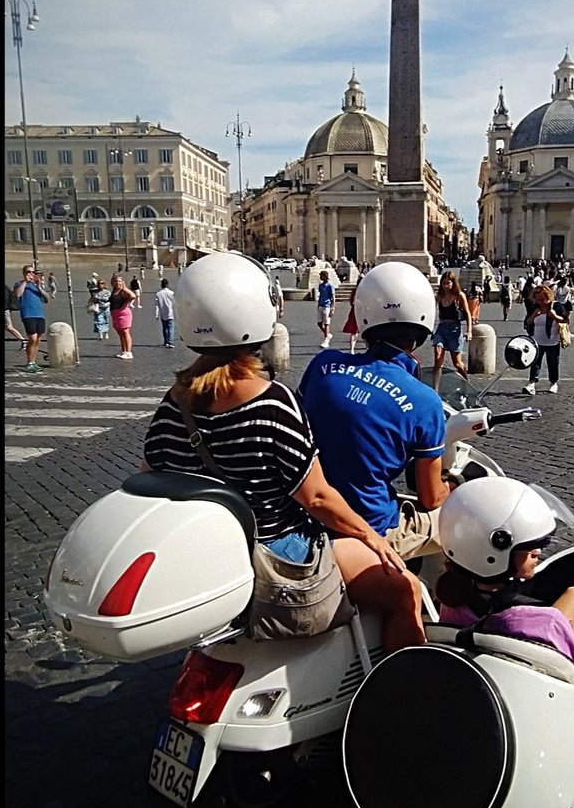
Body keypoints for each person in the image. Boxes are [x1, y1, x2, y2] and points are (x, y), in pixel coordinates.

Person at [141, 251, 426, 652]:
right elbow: (317, 497)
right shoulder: (272, 402)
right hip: (282, 548)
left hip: (215, 553)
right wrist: (370, 537)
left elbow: (151, 477)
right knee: (404, 590)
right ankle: (406, 697)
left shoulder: (174, 404)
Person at [298, 260, 452, 566]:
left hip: (309, 515)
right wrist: (452, 488)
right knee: (459, 525)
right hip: (372, 527)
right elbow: (430, 497)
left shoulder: (322, 365)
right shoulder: (425, 400)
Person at [434, 477, 574, 672]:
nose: (537, 552)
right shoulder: (549, 621)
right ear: (497, 552)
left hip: (498, 653)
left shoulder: (451, 601)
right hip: (552, 663)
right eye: (528, 548)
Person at [522, 284, 568, 395]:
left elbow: (565, 320)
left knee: (553, 363)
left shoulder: (556, 306)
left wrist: (555, 317)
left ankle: (553, 383)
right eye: (538, 299)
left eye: (543, 299)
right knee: (535, 363)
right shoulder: (534, 307)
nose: (541, 302)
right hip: (536, 341)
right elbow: (527, 323)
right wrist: (533, 316)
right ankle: (532, 383)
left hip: (552, 341)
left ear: (549, 297)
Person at [431, 270, 472, 392]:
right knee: (438, 359)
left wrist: (469, 330)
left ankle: (467, 384)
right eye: (444, 283)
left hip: (455, 330)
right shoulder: (439, 296)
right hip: (442, 329)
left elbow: (467, 313)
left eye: (448, 283)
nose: (446, 286)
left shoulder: (459, 296)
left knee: (457, 363)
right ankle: (435, 390)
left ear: (453, 283)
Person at [13, 265, 49, 373]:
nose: (31, 274)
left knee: (38, 339)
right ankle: (29, 362)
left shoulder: (36, 285)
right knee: (32, 338)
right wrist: (25, 281)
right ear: (24, 273)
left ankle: (33, 362)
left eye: (33, 272)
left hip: (39, 314)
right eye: (29, 272)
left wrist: (39, 286)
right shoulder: (19, 284)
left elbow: (46, 299)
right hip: (28, 314)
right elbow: (17, 294)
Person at [109, 274, 136, 359]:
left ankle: (129, 352)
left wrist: (126, 303)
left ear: (122, 282)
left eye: (119, 281)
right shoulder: (113, 291)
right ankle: (123, 351)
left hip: (123, 313)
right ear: (113, 282)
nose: (118, 283)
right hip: (115, 314)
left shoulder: (123, 291)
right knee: (120, 334)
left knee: (125, 332)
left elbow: (133, 296)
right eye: (116, 281)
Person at [4, 281, 27, 350]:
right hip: (6, 308)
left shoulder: (5, 287)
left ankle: (23, 340)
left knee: (9, 327)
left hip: (5, 309)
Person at [154, 277, 176, 347]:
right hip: (171, 313)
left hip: (162, 313)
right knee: (170, 327)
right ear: (167, 284)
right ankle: (170, 342)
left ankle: (166, 341)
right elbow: (175, 303)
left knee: (165, 328)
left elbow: (156, 305)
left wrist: (156, 314)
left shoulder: (158, 294)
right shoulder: (171, 293)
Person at [316, 270, 335, 348]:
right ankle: (328, 335)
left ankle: (326, 340)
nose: (320, 277)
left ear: (324, 276)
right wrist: (318, 304)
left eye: (321, 275)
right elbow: (320, 295)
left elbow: (333, 297)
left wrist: (332, 308)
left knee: (326, 323)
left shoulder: (330, 285)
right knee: (319, 323)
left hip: (327, 306)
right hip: (321, 305)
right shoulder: (320, 285)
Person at [342, 283, 360, 352]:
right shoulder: (364, 290)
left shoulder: (355, 290)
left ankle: (352, 349)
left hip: (355, 310)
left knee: (354, 331)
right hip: (363, 311)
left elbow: (351, 301)